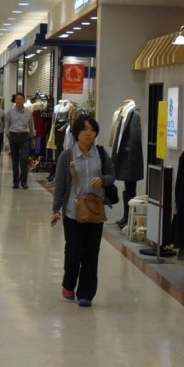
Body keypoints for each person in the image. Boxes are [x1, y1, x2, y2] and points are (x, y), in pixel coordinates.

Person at [51, 115, 115, 307]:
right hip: (73, 211)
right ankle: (69, 284)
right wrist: (56, 209)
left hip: (95, 212)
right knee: (73, 251)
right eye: (85, 129)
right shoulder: (67, 156)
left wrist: (103, 180)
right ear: (77, 132)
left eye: (92, 130)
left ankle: (86, 293)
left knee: (91, 253)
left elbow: (112, 175)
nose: (89, 133)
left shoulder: (101, 154)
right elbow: (60, 185)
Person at [4, 93, 36, 190]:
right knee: (15, 161)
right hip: (13, 136)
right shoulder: (10, 112)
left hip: (24, 137)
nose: (19, 100)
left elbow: (31, 126)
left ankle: (24, 181)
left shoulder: (28, 113)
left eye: (21, 99)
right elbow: (7, 126)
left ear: (24, 100)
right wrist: (7, 140)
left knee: (24, 159)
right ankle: (16, 182)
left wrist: (33, 139)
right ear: (15, 100)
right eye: (17, 99)